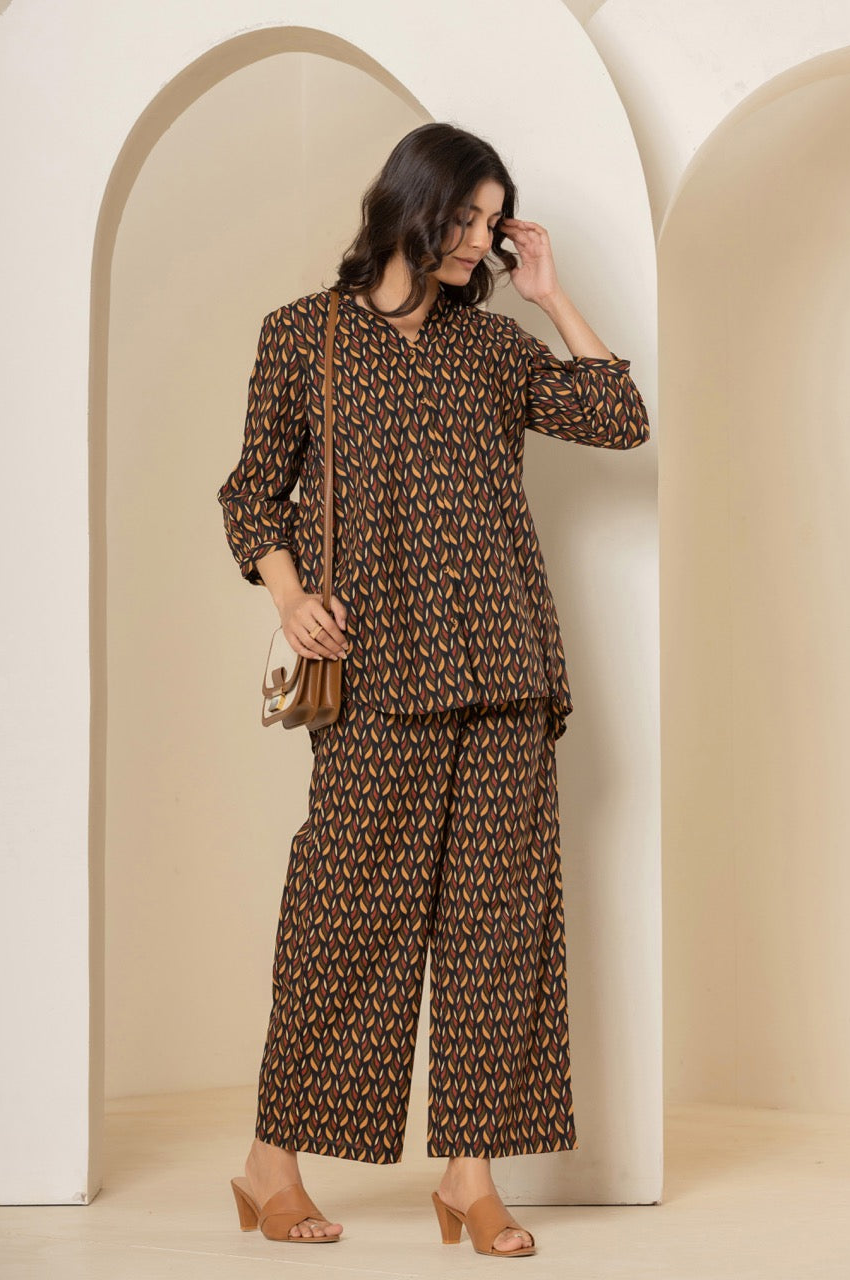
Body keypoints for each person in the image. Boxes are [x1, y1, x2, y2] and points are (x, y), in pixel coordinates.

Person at [218, 122, 650, 1257]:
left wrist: (549, 294)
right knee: (343, 917)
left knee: (500, 927)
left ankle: (470, 1175)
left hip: (505, 665)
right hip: (376, 673)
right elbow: (251, 492)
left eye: (491, 222)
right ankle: (270, 1165)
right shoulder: (303, 334)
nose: (477, 241)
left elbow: (620, 418)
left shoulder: (496, 345)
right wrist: (289, 598)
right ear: (408, 206)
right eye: (464, 217)